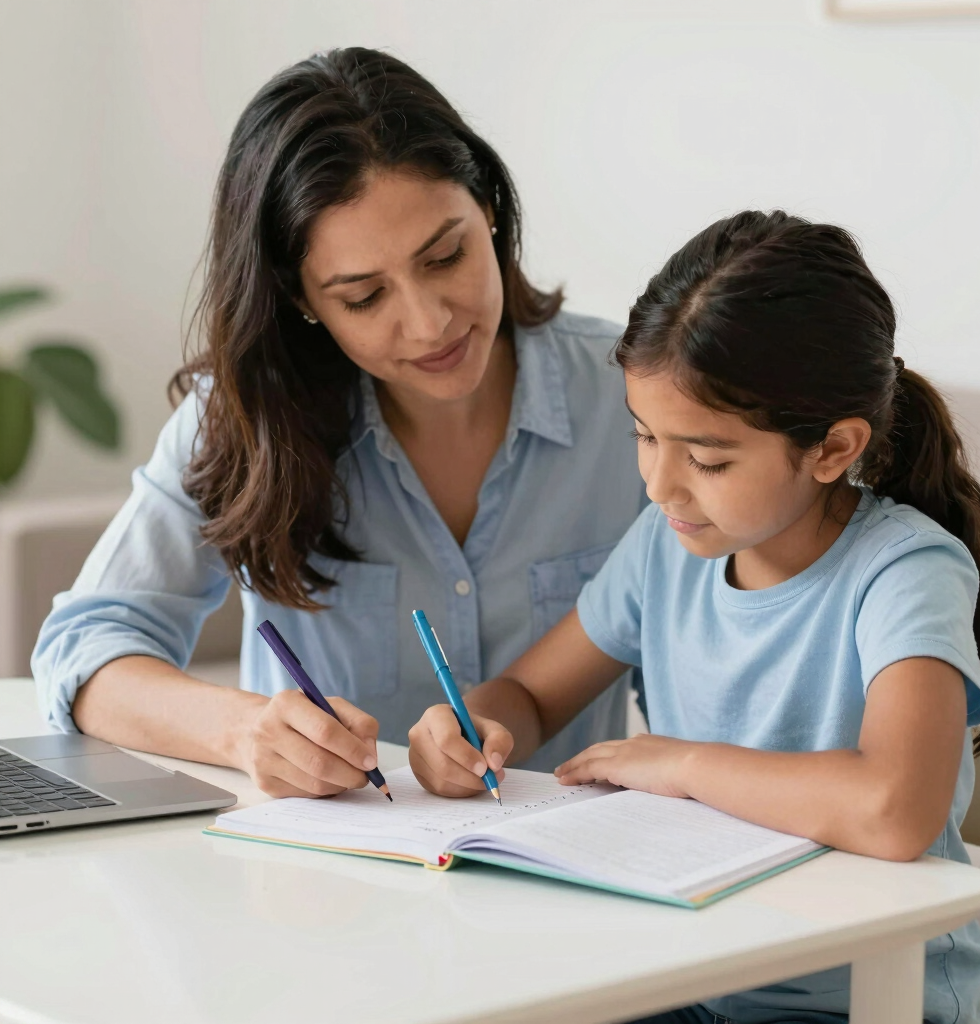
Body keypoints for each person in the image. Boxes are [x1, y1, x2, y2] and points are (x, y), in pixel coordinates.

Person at [408, 210, 980, 1024]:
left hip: (861, 1001)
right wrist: (469, 726)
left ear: (833, 449)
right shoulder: (665, 547)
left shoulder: (905, 570)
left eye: (706, 458)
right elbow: (529, 694)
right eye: (644, 437)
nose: (660, 484)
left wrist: (682, 766)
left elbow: (894, 809)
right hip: (691, 978)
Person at [31, 47, 644, 797]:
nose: (429, 323)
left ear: (488, 208)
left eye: (446, 256)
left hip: (575, 854)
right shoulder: (246, 418)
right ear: (302, 300)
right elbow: (83, 649)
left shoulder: (634, 397)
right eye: (363, 297)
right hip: (324, 864)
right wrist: (244, 731)